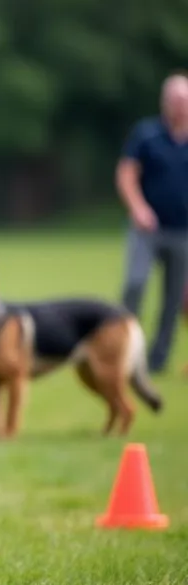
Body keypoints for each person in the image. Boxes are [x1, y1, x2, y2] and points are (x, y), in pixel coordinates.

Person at [116, 72, 188, 375]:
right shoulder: (146, 134)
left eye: (184, 100)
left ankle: (157, 361)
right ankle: (122, 349)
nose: (180, 106)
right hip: (148, 227)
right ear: (164, 102)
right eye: (175, 100)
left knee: (174, 298)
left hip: (183, 229)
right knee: (135, 285)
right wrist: (138, 207)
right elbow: (127, 172)